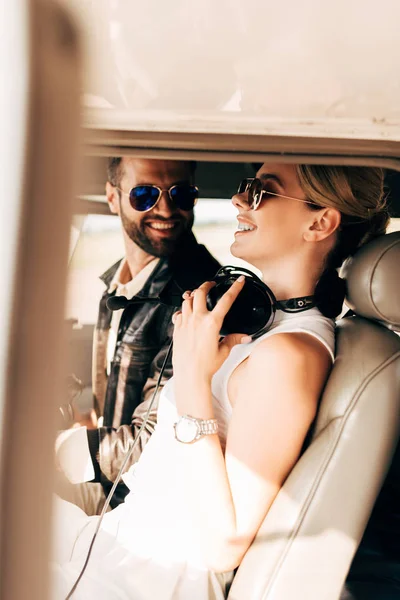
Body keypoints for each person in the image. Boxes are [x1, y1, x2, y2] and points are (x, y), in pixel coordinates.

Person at [52, 163, 389, 600]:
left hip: (144, 576)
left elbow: (222, 545)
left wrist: (193, 377)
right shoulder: (265, 327)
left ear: (320, 222)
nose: (237, 200)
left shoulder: (289, 354)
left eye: (261, 191)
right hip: (116, 548)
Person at [56, 158, 220, 512]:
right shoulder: (117, 284)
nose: (165, 208)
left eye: (181, 194)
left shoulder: (198, 301)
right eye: (144, 194)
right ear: (112, 198)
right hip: (112, 486)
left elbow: (157, 439)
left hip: (139, 501)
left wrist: (57, 449)